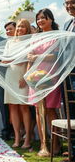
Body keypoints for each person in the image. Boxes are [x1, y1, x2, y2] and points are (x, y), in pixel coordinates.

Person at [27, 8, 61, 156]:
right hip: (35, 77)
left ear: (51, 19)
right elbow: (30, 56)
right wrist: (28, 75)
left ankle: (56, 144)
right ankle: (43, 145)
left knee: (50, 109)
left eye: (43, 18)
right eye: (38, 18)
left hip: (51, 76)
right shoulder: (35, 37)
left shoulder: (57, 36)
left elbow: (54, 56)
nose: (40, 21)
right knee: (37, 110)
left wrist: (36, 58)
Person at [3, 19, 31, 148]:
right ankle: (17, 138)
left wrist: (25, 77)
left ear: (27, 29)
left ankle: (27, 139)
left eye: (23, 27)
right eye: (19, 26)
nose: (20, 29)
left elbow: (28, 61)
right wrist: (13, 59)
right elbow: (5, 59)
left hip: (22, 75)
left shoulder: (29, 41)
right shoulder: (9, 42)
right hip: (10, 75)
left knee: (24, 107)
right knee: (12, 107)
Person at [62, 0, 75, 161]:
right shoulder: (67, 24)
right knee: (70, 112)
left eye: (73, 2)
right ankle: (72, 150)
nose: (69, 6)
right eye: (67, 3)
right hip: (68, 75)